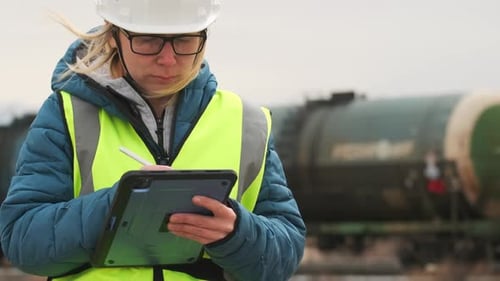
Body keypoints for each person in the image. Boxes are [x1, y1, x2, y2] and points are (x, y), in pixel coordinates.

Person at [0, 1, 306, 280]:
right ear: (114, 36)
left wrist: (237, 233)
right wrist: (116, 207)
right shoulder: (66, 115)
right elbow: (23, 242)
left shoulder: (247, 124)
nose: (169, 60)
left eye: (185, 40)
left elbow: (286, 253)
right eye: (148, 41)